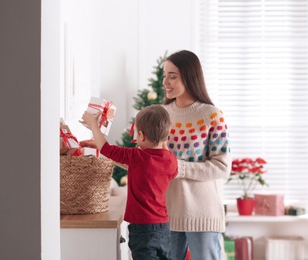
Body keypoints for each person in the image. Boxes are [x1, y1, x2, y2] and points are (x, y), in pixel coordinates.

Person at [80, 104, 178, 260]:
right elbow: (168, 171)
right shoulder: (171, 160)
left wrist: (93, 125)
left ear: (141, 135)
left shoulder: (136, 157)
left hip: (142, 228)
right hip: (163, 227)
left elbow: (106, 149)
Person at [162, 50, 232, 260]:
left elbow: (222, 167)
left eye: (172, 76)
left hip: (203, 215)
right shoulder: (161, 114)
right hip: (166, 213)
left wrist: (177, 166)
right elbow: (146, 161)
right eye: (164, 75)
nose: (166, 82)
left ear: (190, 77)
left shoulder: (212, 115)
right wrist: (103, 148)